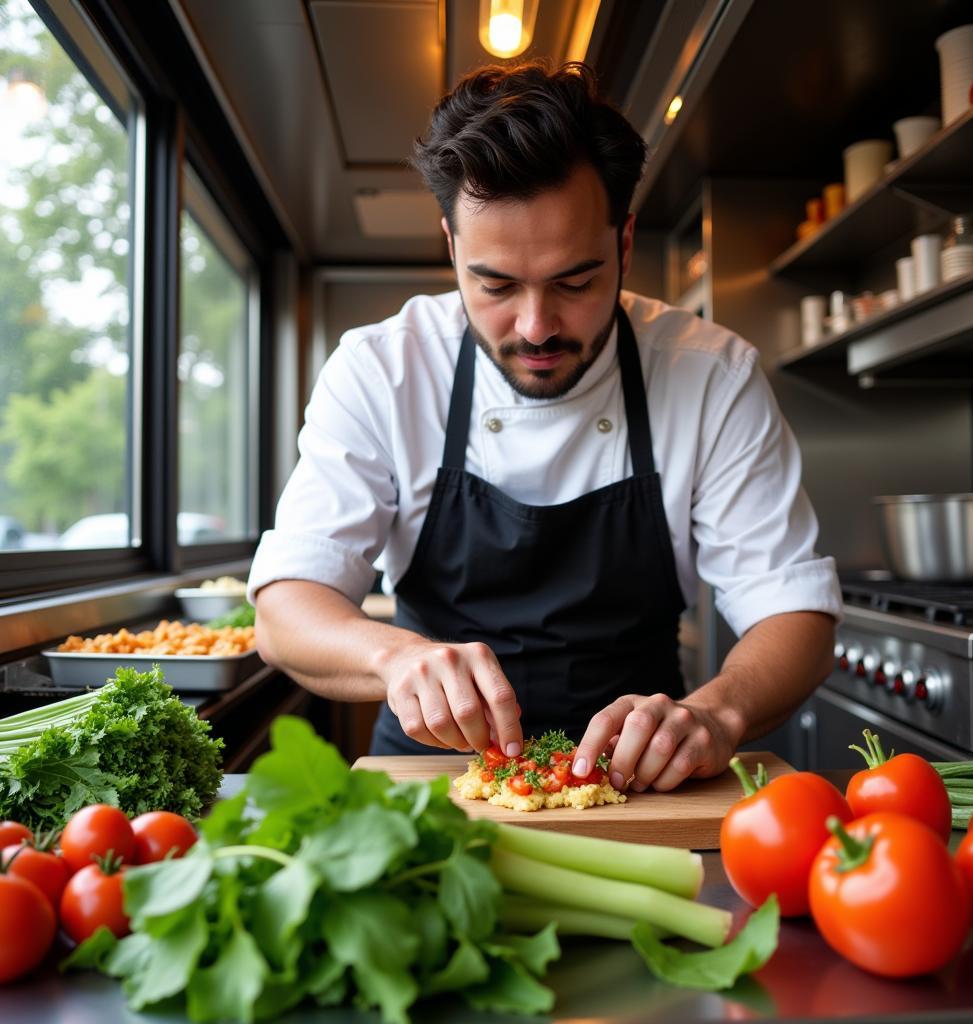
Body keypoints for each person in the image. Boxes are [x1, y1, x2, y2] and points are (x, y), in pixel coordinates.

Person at [250, 60, 842, 790]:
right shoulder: (382, 369)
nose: (535, 327)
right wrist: (394, 658)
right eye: (495, 284)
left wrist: (716, 714)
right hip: (430, 783)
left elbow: (796, 615)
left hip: (644, 780)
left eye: (575, 280)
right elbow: (284, 612)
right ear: (452, 248)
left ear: (624, 244)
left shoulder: (710, 374)